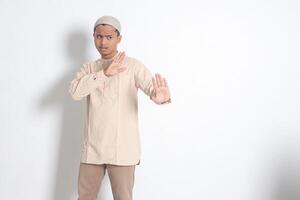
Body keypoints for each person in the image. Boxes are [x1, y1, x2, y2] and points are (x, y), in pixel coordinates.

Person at [69, 15, 171, 200]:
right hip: (93, 149)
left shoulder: (132, 66)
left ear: (119, 38)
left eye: (109, 37)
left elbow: (151, 87)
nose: (103, 42)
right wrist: (104, 74)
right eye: (99, 36)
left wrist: (159, 97)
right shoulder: (90, 69)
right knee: (85, 197)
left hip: (123, 150)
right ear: (93, 37)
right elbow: (75, 92)